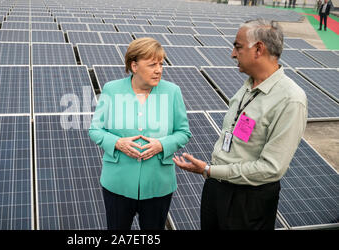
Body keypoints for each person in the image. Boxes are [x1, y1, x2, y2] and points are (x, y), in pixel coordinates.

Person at [173, 19, 307, 230]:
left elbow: (271, 168)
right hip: (216, 188)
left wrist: (209, 170)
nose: (232, 54)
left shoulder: (290, 99)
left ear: (258, 49)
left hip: (247, 202)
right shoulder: (248, 86)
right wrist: (212, 173)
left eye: (237, 47)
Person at [89, 37, 192, 230]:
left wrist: (162, 145)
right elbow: (95, 129)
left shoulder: (172, 92)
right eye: (152, 64)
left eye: (161, 64)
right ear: (134, 66)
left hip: (158, 185)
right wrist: (118, 143)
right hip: (117, 184)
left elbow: (183, 132)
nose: (159, 70)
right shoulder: (112, 89)